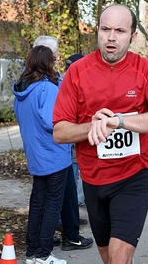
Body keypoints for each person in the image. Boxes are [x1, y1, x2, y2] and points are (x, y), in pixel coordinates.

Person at [52, 4, 148, 264]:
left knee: (119, 260)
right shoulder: (77, 71)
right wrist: (93, 126)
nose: (111, 37)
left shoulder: (146, 69)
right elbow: (60, 132)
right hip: (93, 179)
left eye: (120, 31)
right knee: (110, 258)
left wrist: (120, 121)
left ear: (132, 36)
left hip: (133, 175)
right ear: (97, 31)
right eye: (105, 29)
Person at [33, 36, 93, 251]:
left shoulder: (35, 82)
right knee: (58, 198)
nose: (58, 56)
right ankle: (60, 239)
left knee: (51, 197)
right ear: (48, 55)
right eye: (56, 53)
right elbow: (54, 120)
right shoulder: (47, 85)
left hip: (46, 150)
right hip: (55, 149)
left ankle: (51, 237)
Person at [13, 45, 69, 264]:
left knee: (37, 204)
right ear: (48, 63)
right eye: (53, 60)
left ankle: (32, 252)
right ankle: (44, 255)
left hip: (35, 155)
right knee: (52, 205)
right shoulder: (47, 89)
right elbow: (52, 121)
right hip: (54, 154)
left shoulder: (21, 90)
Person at [65, 53, 86, 204]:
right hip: (73, 135)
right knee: (75, 166)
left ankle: (77, 200)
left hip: (81, 133)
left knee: (79, 166)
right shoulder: (68, 83)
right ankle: (75, 201)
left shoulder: (65, 81)